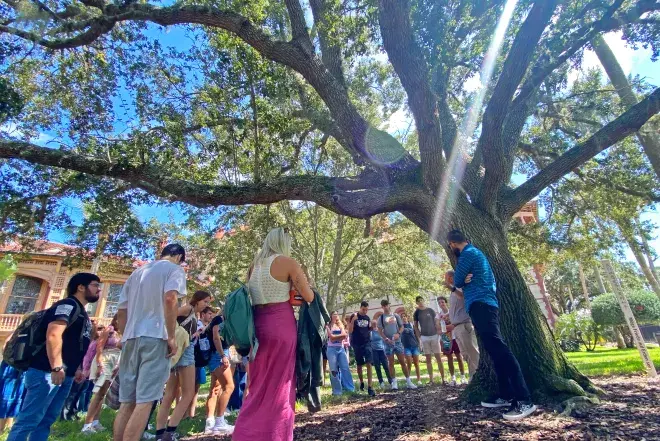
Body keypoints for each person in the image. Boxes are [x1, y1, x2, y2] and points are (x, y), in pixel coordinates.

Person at [232, 227, 314, 441]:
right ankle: (277, 435)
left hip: (257, 327)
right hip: (281, 324)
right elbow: (309, 296)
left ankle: (246, 433)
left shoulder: (253, 266)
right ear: (283, 243)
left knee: (258, 383)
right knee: (282, 383)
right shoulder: (288, 263)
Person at [448, 229, 536, 420]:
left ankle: (524, 399)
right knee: (494, 351)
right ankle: (506, 394)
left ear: (453, 244)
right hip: (483, 305)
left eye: (450, 246)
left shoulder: (467, 254)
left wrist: (461, 280)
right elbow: (461, 281)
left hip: (482, 305)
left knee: (499, 348)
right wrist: (463, 280)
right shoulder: (475, 253)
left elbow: (456, 279)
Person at [7, 273, 99, 441]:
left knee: (46, 420)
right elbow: (54, 334)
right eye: (95, 285)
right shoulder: (68, 305)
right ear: (81, 287)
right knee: (29, 420)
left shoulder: (82, 314)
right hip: (46, 372)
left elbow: (76, 343)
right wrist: (56, 366)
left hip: (65, 375)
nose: (99, 289)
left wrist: (77, 368)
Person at [113, 244, 187, 441]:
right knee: (145, 401)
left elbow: (121, 310)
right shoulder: (175, 270)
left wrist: (124, 334)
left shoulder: (137, 273)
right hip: (155, 336)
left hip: (130, 337)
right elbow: (170, 298)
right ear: (178, 256)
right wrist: (170, 336)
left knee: (127, 402)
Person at [156, 290, 212, 440]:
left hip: (180, 350)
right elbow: (169, 316)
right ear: (198, 300)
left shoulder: (194, 314)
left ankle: (160, 433)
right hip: (185, 351)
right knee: (187, 393)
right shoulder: (188, 309)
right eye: (205, 302)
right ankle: (170, 431)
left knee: (171, 393)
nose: (207, 305)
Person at [82, 316, 122, 433]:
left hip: (115, 363)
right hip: (106, 360)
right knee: (99, 393)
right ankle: (87, 424)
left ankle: (95, 421)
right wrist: (99, 363)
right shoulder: (109, 330)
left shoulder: (122, 333)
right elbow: (99, 345)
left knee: (103, 394)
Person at [203, 307, 235, 435]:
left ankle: (209, 423)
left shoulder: (220, 320)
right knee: (229, 387)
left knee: (215, 389)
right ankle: (220, 422)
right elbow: (216, 338)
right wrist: (223, 355)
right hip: (218, 355)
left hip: (216, 355)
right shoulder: (219, 319)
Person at [444, 271, 480, 379]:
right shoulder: (452, 292)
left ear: (450, 278)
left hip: (465, 325)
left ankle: (480, 376)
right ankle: (473, 377)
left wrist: (451, 288)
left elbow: (464, 296)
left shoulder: (460, 286)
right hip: (457, 327)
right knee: (465, 354)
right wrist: (449, 317)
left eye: (446, 277)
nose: (444, 280)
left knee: (472, 352)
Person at [377, 300, 416, 390]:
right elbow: (379, 330)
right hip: (388, 343)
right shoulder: (381, 318)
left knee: (402, 361)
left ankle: (409, 381)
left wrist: (398, 333)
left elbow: (402, 326)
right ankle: (394, 382)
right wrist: (385, 338)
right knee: (391, 363)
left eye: (387, 305)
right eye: (384, 306)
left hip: (397, 342)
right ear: (382, 307)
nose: (386, 307)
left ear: (389, 306)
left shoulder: (395, 315)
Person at [189, 306, 215, 419]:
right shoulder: (198, 325)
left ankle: (191, 413)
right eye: (209, 313)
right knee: (190, 387)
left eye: (212, 314)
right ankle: (186, 414)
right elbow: (195, 336)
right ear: (203, 314)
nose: (211, 316)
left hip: (202, 360)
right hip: (194, 358)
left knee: (196, 387)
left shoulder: (207, 327)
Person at [413, 296, 446, 385]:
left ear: (424, 301)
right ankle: (431, 380)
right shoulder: (416, 313)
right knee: (428, 359)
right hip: (424, 337)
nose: (420, 302)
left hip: (434, 335)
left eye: (421, 300)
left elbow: (436, 321)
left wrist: (438, 330)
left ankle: (443, 379)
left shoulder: (430, 310)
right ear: (417, 303)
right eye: (418, 301)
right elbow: (415, 326)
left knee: (438, 357)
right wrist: (419, 336)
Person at [348, 302, 376, 397]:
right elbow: (350, 331)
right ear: (360, 308)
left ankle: (370, 387)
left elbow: (369, 329)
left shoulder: (367, 318)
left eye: (366, 310)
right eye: (363, 309)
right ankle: (361, 382)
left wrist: (373, 326)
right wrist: (353, 321)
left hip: (367, 343)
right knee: (359, 365)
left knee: (369, 363)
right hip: (357, 344)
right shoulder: (354, 316)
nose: (365, 311)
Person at [437, 296, 466, 385]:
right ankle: (453, 378)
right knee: (449, 358)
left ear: (446, 303)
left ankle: (462, 377)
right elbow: (438, 328)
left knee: (459, 356)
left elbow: (454, 324)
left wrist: (446, 327)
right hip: (446, 338)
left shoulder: (452, 312)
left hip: (455, 336)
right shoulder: (438, 315)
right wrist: (444, 328)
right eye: (439, 303)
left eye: (442, 302)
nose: (441, 304)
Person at [326, 312, 355, 396]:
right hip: (331, 349)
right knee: (334, 370)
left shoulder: (341, 325)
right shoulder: (328, 325)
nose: (335, 316)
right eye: (334, 314)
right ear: (331, 316)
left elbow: (344, 335)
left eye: (337, 314)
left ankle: (349, 388)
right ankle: (337, 391)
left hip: (341, 349)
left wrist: (337, 337)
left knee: (345, 368)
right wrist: (339, 336)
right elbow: (331, 338)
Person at [400, 312, 422, 385]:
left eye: (405, 316)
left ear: (407, 317)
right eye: (402, 317)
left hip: (414, 346)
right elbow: (399, 337)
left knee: (416, 363)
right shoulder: (400, 327)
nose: (403, 318)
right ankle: (408, 380)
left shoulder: (412, 325)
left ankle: (419, 379)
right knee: (409, 363)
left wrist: (419, 344)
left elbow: (416, 335)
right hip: (406, 347)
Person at [370, 320, 392, 388]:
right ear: (371, 324)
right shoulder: (370, 332)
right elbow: (369, 341)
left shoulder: (380, 331)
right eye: (373, 324)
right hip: (374, 351)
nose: (374, 324)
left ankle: (390, 381)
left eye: (375, 323)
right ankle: (381, 382)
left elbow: (384, 339)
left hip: (382, 350)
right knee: (377, 367)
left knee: (386, 366)